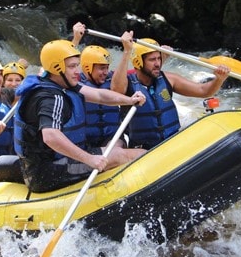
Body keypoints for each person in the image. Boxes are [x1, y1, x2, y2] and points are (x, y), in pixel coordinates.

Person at [13, 39, 147, 193]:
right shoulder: (50, 98)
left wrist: (129, 100)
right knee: (134, 155)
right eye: (72, 66)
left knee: (120, 149)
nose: (77, 71)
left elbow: (99, 95)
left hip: (54, 163)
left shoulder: (63, 84)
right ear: (56, 67)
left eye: (77, 65)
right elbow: (50, 136)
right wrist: (89, 159)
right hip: (48, 172)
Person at [110, 31, 231, 149]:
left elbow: (204, 91)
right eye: (152, 60)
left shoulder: (168, 79)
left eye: (159, 58)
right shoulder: (128, 84)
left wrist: (219, 79)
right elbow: (116, 90)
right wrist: (127, 51)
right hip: (144, 151)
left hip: (172, 145)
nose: (157, 63)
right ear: (138, 62)